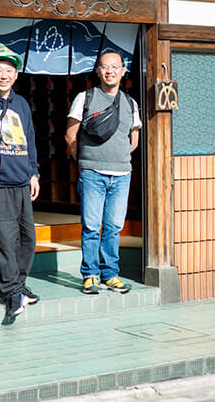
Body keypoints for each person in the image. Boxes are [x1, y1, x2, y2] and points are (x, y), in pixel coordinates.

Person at [65, 50, 141, 295]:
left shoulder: (130, 103)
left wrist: (117, 158)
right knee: (90, 225)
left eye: (115, 67)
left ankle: (110, 274)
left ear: (123, 71)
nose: (110, 71)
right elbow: (70, 136)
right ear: (97, 71)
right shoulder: (84, 97)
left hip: (122, 175)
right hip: (92, 174)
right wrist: (87, 161)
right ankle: (90, 275)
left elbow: (134, 139)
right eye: (105, 67)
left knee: (113, 227)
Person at [0, 42, 41, 324]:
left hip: (21, 180)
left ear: (16, 75)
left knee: (27, 239)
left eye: (9, 70)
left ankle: (19, 286)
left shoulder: (22, 103)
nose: (4, 75)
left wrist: (34, 172)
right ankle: (10, 293)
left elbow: (29, 138)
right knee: (1, 240)